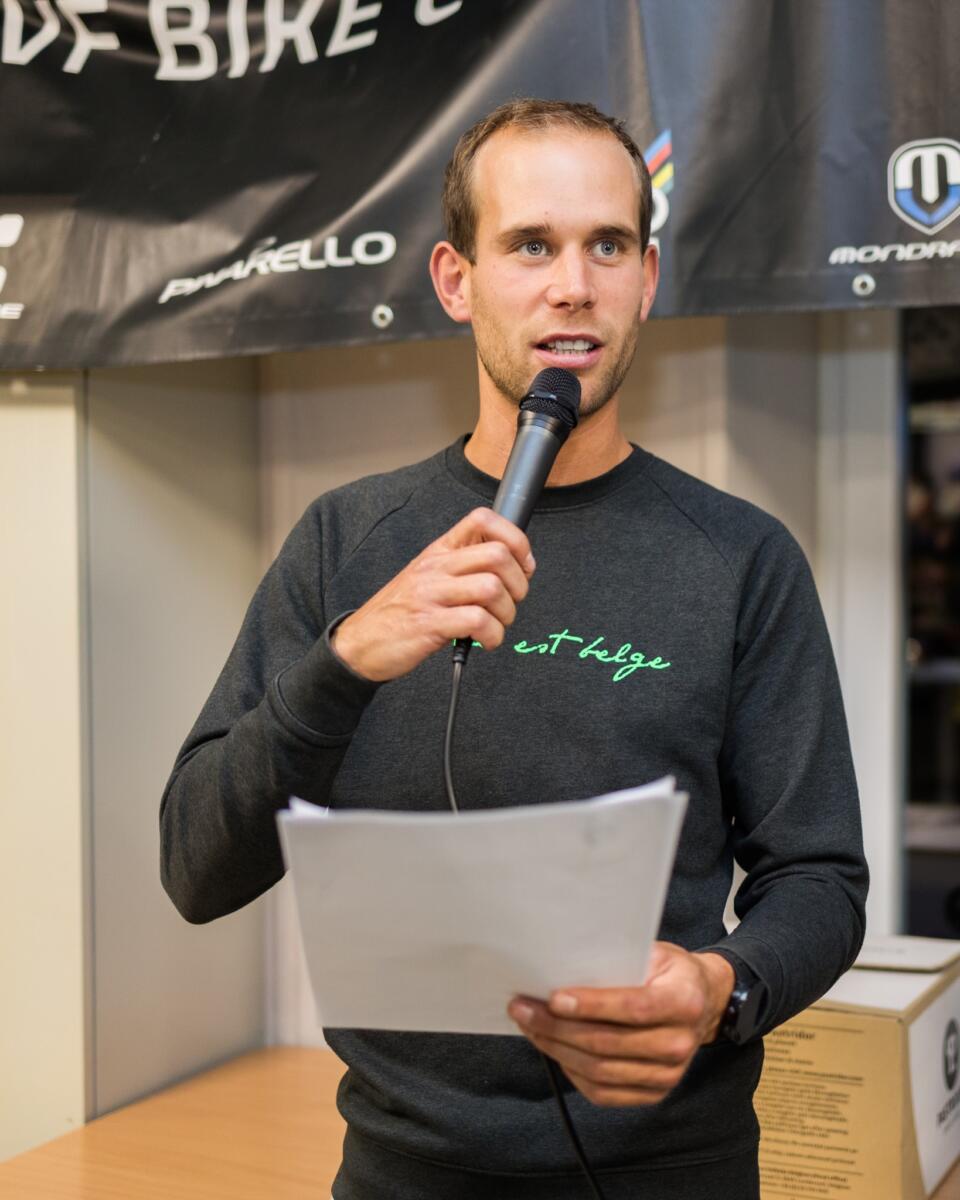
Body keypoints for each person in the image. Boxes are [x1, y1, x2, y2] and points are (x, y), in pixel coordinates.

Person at [160, 99, 869, 1199]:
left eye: (608, 246)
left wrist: (720, 987)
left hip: (671, 1169)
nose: (573, 285)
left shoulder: (741, 557)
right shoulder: (348, 542)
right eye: (531, 245)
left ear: (647, 279)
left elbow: (820, 878)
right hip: (402, 1172)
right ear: (457, 281)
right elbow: (197, 868)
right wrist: (345, 662)